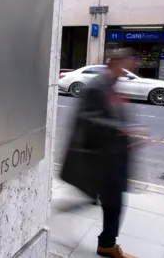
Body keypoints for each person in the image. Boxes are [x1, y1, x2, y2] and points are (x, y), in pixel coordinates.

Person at [61, 48, 143, 258]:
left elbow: (113, 115)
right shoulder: (98, 86)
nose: (131, 67)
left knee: (110, 201)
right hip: (103, 159)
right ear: (115, 63)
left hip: (112, 155)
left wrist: (128, 134)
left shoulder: (112, 85)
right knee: (114, 203)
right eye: (128, 62)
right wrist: (118, 129)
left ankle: (105, 239)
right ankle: (107, 244)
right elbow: (84, 118)